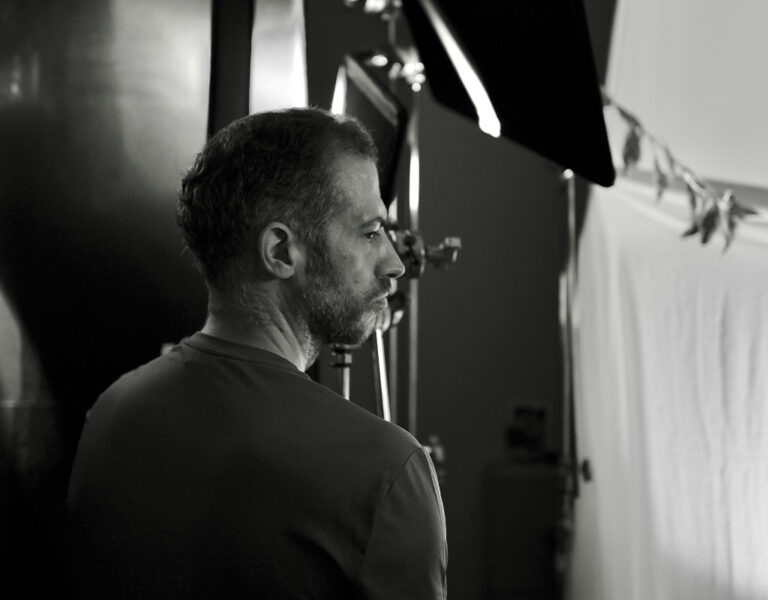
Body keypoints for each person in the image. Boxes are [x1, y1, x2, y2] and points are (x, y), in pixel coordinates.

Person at [66, 107, 448, 599]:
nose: (394, 263)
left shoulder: (111, 414)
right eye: (371, 232)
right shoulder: (387, 472)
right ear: (281, 252)